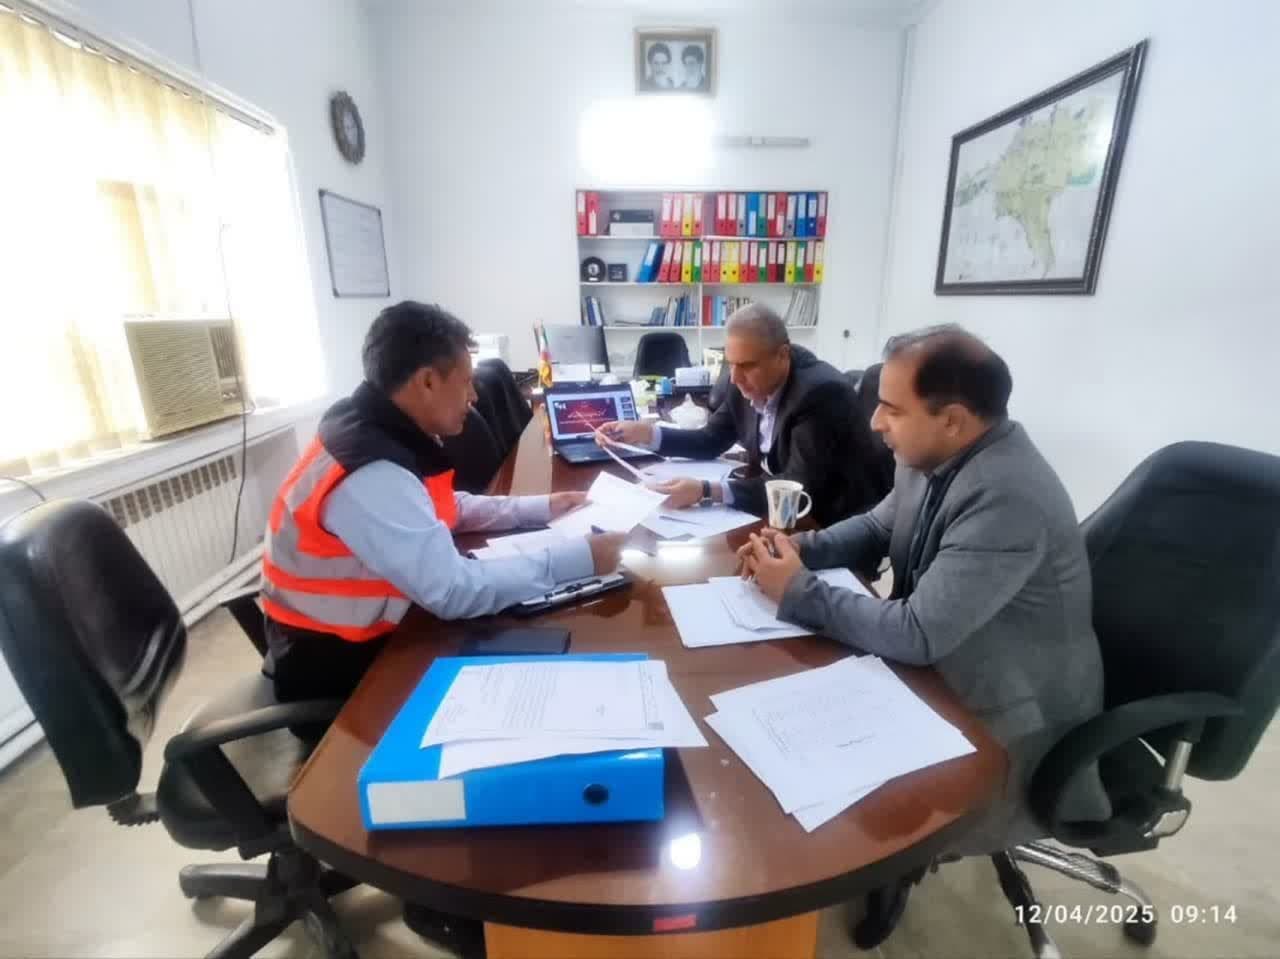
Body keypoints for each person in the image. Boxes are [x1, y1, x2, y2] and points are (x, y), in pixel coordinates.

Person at [737, 324, 1110, 947]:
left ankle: (899, 850)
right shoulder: (931, 454)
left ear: (953, 420)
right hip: (949, 663)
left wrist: (796, 591)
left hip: (1011, 712)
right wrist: (798, 548)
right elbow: (877, 527)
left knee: (808, 754)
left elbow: (916, 634)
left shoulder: (1007, 497)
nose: (875, 422)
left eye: (891, 407)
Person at [260, 300, 626, 704]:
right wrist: (582, 559)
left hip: (385, 629)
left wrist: (542, 507)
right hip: (341, 670)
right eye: (466, 381)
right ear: (427, 382)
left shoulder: (373, 427)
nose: (474, 396)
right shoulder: (370, 470)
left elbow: (439, 507)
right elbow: (452, 591)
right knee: (545, 680)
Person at [598, 304, 889, 526]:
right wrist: (646, 433)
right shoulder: (743, 380)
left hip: (827, 519)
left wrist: (706, 491)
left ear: (782, 355)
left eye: (747, 365)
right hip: (776, 509)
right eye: (731, 363)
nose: (735, 378)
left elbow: (796, 486)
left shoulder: (821, 394)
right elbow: (710, 440)